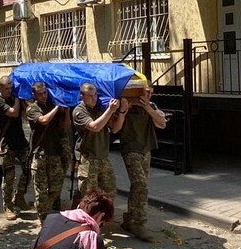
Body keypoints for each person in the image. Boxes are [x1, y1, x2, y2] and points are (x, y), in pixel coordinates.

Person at [119, 85, 167, 241]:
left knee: (138, 186)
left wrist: (148, 108)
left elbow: (162, 123)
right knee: (141, 185)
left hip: (146, 149)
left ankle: (129, 219)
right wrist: (124, 109)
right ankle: (139, 223)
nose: (148, 95)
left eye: (151, 93)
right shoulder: (126, 103)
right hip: (130, 148)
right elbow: (116, 126)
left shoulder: (151, 106)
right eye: (146, 91)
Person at [73, 83, 126, 200]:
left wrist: (122, 112)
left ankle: (102, 213)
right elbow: (95, 127)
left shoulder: (100, 109)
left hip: (103, 157)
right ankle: (79, 210)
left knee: (109, 192)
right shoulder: (79, 111)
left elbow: (115, 128)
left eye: (95, 95)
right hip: (88, 159)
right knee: (88, 196)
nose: (94, 98)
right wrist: (110, 110)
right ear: (82, 96)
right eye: (90, 96)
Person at [26, 81, 70, 222]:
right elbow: (44, 120)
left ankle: (45, 208)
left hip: (54, 152)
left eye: (45, 93)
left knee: (56, 186)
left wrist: (66, 111)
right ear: (34, 94)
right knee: (41, 190)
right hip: (39, 154)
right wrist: (57, 106)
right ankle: (43, 218)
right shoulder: (32, 108)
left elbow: (65, 127)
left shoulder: (52, 106)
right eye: (40, 94)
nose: (43, 96)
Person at [0, 75, 30, 220]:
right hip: (7, 143)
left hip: (20, 141)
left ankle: (19, 197)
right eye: (6, 88)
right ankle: (8, 206)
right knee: (9, 176)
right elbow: (14, 113)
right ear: (0, 88)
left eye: (11, 88)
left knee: (29, 169)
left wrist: (23, 101)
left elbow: (26, 115)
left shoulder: (14, 99)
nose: (9, 90)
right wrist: (17, 98)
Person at [32, 189, 114, 249]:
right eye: (101, 224)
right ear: (100, 216)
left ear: (79, 206)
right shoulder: (92, 239)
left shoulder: (50, 219)